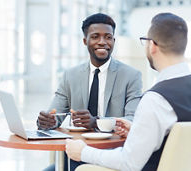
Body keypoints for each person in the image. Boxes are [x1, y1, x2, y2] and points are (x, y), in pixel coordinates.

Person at [66, 12, 191, 171]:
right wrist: (137, 130)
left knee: (74, 165)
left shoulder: (156, 99)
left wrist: (83, 152)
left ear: (152, 45)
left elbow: (129, 163)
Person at [37, 13, 143, 171]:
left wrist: (97, 122)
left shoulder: (131, 76)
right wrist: (47, 121)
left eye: (108, 37)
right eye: (95, 37)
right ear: (85, 41)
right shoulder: (70, 75)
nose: (102, 42)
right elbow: (55, 114)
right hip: (75, 154)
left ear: (114, 41)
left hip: (113, 155)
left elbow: (132, 120)